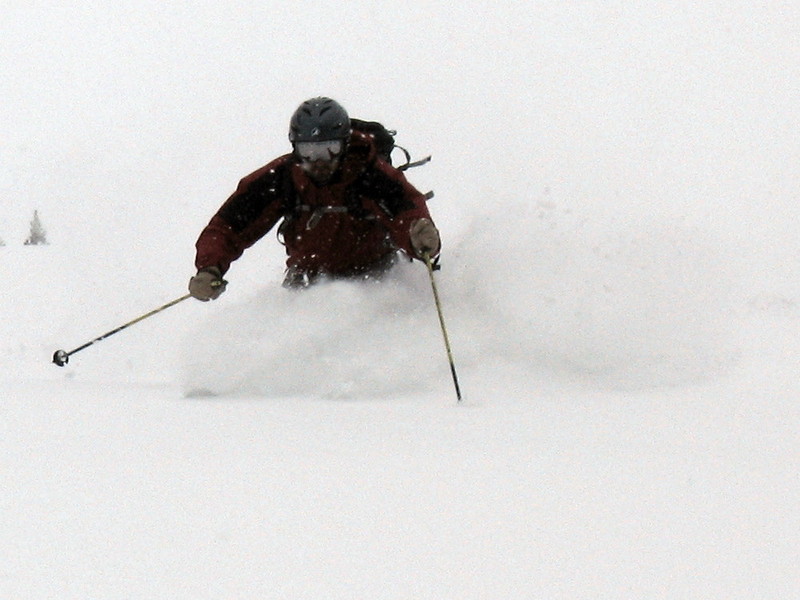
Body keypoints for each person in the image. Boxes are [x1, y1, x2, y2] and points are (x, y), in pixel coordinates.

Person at [188, 97, 441, 300]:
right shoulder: (282, 178)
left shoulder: (370, 174)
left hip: (376, 278)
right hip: (307, 284)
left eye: (329, 149)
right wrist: (210, 268)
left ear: (345, 144)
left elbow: (407, 213)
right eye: (308, 150)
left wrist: (422, 239)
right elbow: (229, 226)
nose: (319, 160)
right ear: (295, 147)